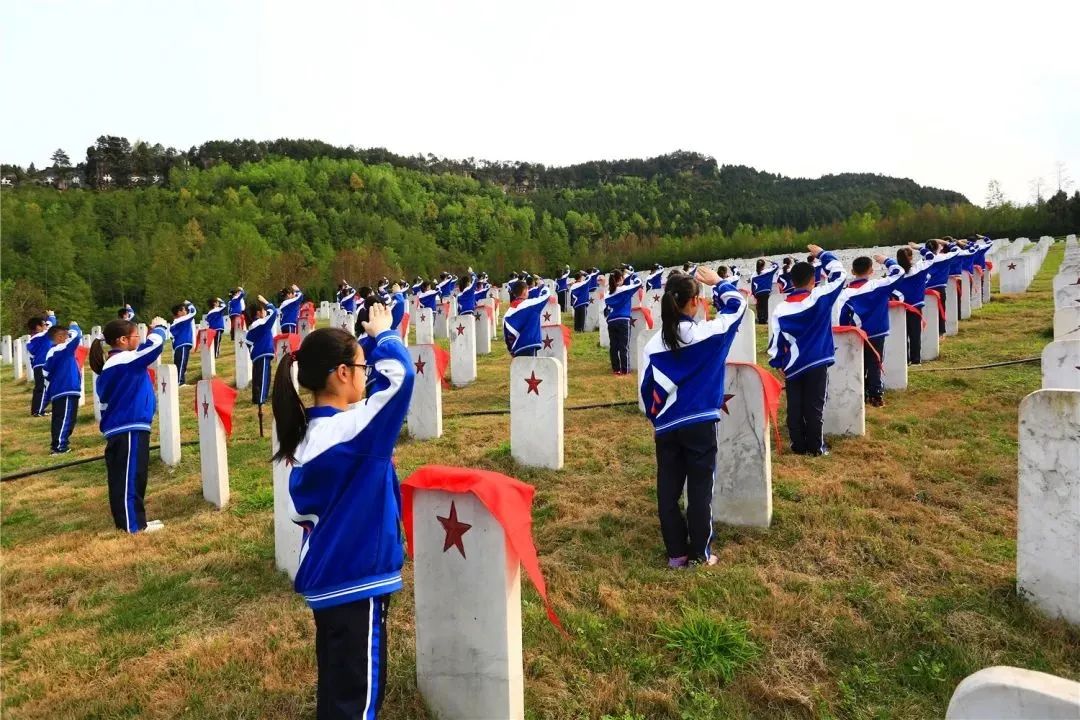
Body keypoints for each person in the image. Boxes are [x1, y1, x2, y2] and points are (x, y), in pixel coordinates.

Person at [271, 305, 414, 720]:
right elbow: (401, 378)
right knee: (358, 700)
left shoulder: (313, 434)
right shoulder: (355, 434)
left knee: (339, 689)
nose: (367, 374)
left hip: (330, 580)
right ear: (342, 373)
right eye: (361, 367)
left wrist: (364, 344)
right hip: (356, 582)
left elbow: (371, 394)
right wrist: (385, 335)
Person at [639, 267, 746, 568]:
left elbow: (647, 391)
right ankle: (700, 554)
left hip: (667, 426)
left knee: (668, 491)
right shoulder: (707, 334)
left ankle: (676, 554)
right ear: (695, 301)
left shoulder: (652, 345)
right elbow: (738, 307)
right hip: (700, 421)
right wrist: (719, 283)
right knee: (700, 489)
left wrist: (659, 420)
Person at [88, 316, 169, 533]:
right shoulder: (123, 360)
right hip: (128, 427)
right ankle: (132, 526)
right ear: (123, 340)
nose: (139, 339)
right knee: (129, 477)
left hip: (127, 427)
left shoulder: (119, 362)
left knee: (131, 476)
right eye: (136, 336)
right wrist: (159, 328)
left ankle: (135, 521)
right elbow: (154, 347)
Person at [767, 245, 847, 456]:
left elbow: (776, 341)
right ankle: (815, 447)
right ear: (814, 280)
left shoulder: (781, 309)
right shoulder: (820, 296)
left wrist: (778, 362)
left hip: (793, 364)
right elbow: (840, 274)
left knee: (795, 405)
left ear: (792, 282)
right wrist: (823, 254)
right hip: (817, 360)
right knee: (815, 405)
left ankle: (798, 445)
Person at [837, 254, 904, 407]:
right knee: (875, 363)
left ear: (852, 272)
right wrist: (885, 260)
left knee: (858, 363)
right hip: (877, 332)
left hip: (855, 333)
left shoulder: (845, 293)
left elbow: (841, 316)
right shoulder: (879, 285)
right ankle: (876, 396)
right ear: (871, 271)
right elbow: (899, 272)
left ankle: (859, 393)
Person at [42, 322, 82, 454]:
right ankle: (59, 447)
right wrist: (74, 326)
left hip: (63, 389)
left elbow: (46, 373)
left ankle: (60, 444)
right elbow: (77, 336)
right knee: (64, 419)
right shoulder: (61, 349)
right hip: (65, 389)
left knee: (65, 419)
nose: (68, 337)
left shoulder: (55, 352)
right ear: (59, 337)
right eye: (66, 335)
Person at [891, 245, 931, 364]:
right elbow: (930, 257)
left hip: (900, 308)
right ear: (911, 257)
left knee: (902, 334)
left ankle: (904, 360)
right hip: (915, 307)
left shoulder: (895, 274)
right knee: (915, 335)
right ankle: (915, 360)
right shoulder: (919, 269)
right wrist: (919, 248)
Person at [604, 268, 642, 375]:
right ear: (620, 279)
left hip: (611, 321)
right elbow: (638, 282)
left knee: (614, 346)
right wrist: (631, 272)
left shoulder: (607, 294)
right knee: (624, 346)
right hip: (623, 320)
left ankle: (616, 369)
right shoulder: (624, 289)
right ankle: (625, 370)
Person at [244, 295, 278, 407]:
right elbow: (274, 312)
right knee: (263, 377)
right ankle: (261, 399)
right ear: (258, 313)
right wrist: (266, 302)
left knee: (259, 377)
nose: (265, 312)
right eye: (263, 310)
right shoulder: (261, 323)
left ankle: (257, 398)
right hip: (262, 353)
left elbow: (248, 342)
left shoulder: (253, 326)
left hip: (258, 354)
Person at [502, 279, 552, 356]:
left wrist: (511, 350)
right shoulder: (532, 304)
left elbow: (507, 335)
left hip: (517, 349)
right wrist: (542, 285)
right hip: (530, 345)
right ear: (525, 291)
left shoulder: (508, 313)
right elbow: (546, 295)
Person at [26, 310, 56, 416]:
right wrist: (51, 316)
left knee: (40, 388)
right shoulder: (42, 336)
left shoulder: (31, 340)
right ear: (38, 327)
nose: (45, 326)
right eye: (43, 325)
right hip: (43, 364)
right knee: (43, 388)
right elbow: (52, 326)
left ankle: (37, 409)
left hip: (37, 366)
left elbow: (31, 357)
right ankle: (38, 411)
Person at [169, 300, 197, 386]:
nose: (186, 311)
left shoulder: (176, 322)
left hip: (179, 345)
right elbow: (193, 312)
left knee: (180, 364)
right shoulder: (182, 319)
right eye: (184, 309)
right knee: (181, 364)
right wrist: (189, 303)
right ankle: (180, 382)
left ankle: (180, 381)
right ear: (179, 312)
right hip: (183, 344)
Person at [750, 259, 780, 324]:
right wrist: (770, 261)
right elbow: (777, 266)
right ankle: (764, 320)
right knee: (765, 306)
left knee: (759, 306)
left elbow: (752, 286)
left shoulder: (753, 275)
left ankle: (760, 319)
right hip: (766, 291)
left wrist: (754, 294)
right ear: (763, 265)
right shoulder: (768, 271)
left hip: (757, 292)